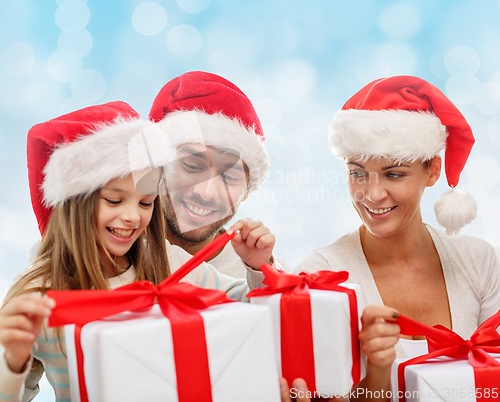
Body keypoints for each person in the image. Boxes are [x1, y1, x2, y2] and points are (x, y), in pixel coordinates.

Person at [0, 101, 274, 401]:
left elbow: (250, 309)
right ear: (74, 205)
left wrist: (257, 268)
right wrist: (13, 362)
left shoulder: (168, 262)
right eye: (115, 201)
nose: (133, 216)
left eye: (145, 203)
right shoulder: (36, 295)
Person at [294, 76, 500, 401]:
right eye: (357, 172)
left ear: (432, 170)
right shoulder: (319, 277)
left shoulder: (478, 261)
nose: (373, 194)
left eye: (393, 174)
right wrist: (376, 372)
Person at [149, 71, 287, 277]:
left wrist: (264, 273)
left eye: (229, 177)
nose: (206, 192)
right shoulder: (110, 254)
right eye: (192, 166)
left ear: (248, 190)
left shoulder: (262, 272)